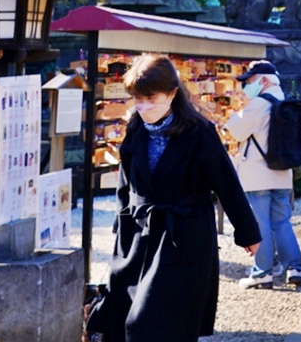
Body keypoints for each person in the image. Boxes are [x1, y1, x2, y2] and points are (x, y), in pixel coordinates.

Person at [86, 54, 261, 342]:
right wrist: (121, 229)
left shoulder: (199, 132)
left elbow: (226, 183)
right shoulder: (135, 128)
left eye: (150, 98)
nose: (142, 107)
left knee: (153, 323)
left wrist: (247, 233)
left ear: (172, 93)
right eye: (137, 99)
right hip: (139, 236)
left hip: (183, 236)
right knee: (124, 321)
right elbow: (125, 184)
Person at [226, 60, 301, 288]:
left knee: (259, 222)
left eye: (250, 81)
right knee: (282, 221)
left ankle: (263, 272)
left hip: (257, 173)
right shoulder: (286, 102)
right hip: (282, 172)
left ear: (263, 80)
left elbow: (235, 129)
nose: (247, 86)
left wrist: (238, 110)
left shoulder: (259, 104)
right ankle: (294, 267)